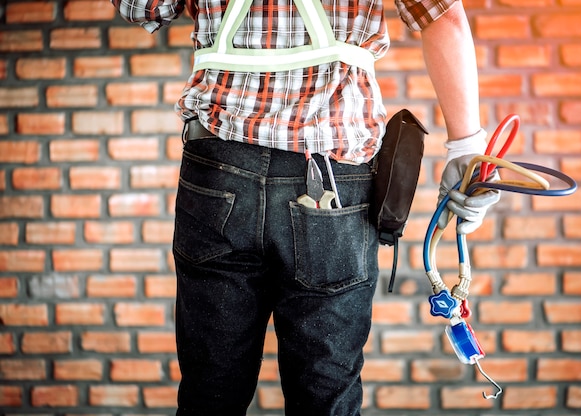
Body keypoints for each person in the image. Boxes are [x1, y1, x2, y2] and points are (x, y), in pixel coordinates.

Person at [111, 0, 499, 414]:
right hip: (333, 178)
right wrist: (466, 148)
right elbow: (443, 17)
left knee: (210, 391)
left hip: (219, 171)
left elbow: (143, 7)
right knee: (325, 394)